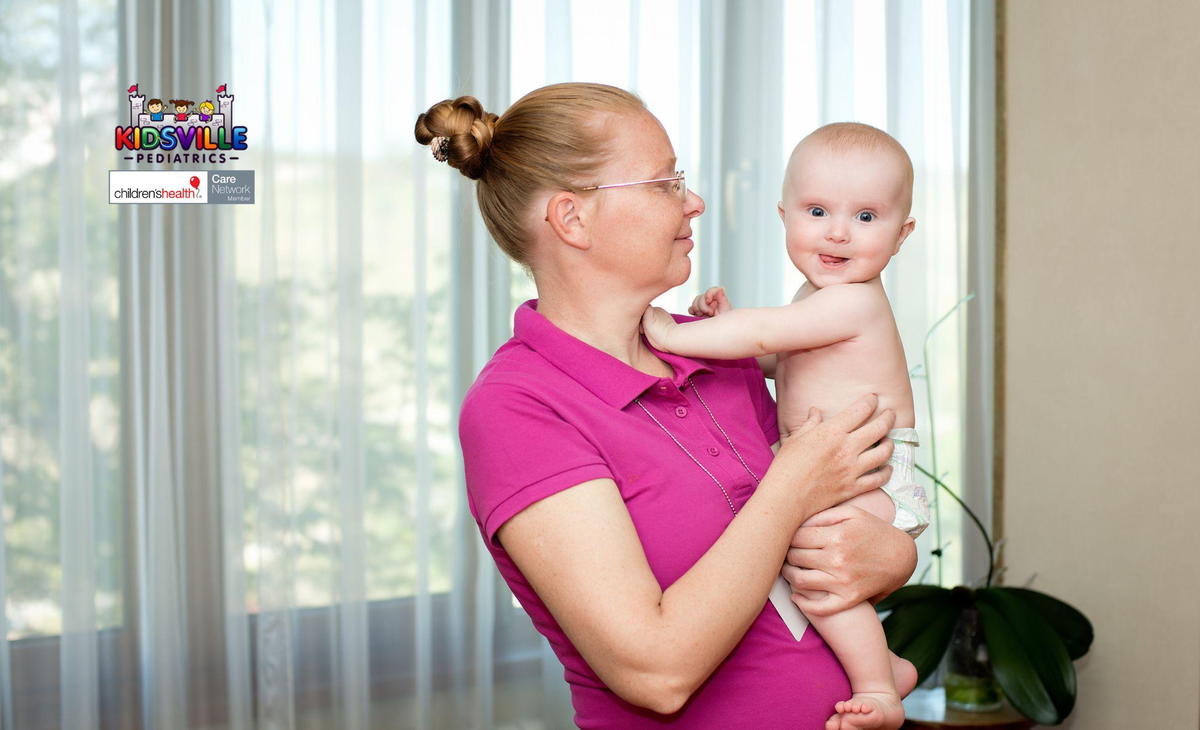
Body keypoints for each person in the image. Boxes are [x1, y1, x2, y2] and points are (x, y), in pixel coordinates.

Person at [416, 83, 917, 728]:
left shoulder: (719, 355)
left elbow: (826, 541)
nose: (695, 202)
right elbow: (655, 673)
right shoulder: (519, 409)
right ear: (573, 219)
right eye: (665, 183)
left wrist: (892, 556)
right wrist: (791, 487)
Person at [640, 122, 926, 729]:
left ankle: (879, 686)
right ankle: (885, 663)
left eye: (867, 217)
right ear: (784, 214)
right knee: (806, 563)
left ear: (902, 235)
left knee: (811, 562)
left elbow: (765, 336)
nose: (839, 232)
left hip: (870, 466)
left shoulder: (854, 299)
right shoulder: (816, 296)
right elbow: (775, 356)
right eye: (818, 210)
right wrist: (732, 327)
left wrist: (675, 333)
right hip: (840, 463)